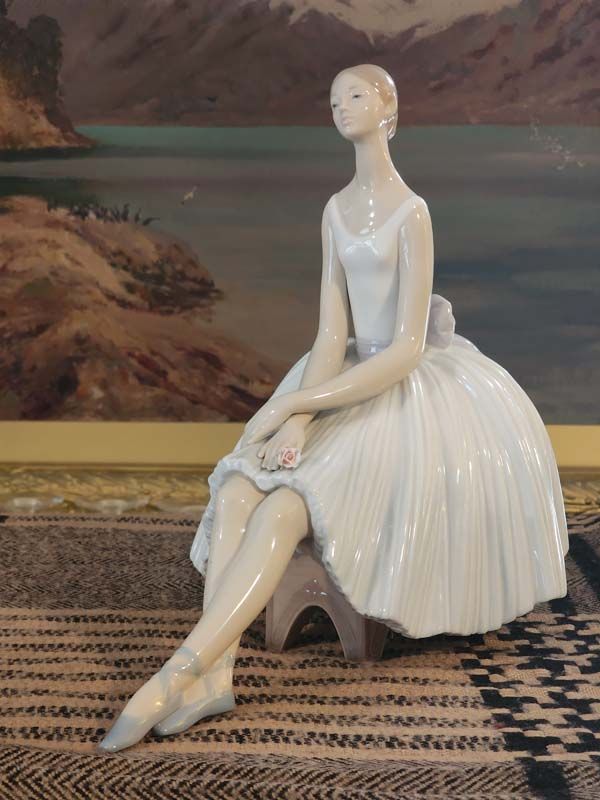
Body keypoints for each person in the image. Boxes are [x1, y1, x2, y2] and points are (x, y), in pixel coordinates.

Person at [99, 64, 569, 753]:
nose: (341, 107)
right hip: (337, 374)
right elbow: (329, 335)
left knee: (285, 509)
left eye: (356, 95)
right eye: (333, 99)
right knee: (236, 490)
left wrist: (299, 400)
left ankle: (172, 676)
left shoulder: (412, 212)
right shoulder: (335, 209)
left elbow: (405, 348)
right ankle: (216, 675)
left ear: (388, 110)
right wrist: (294, 416)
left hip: (396, 389)